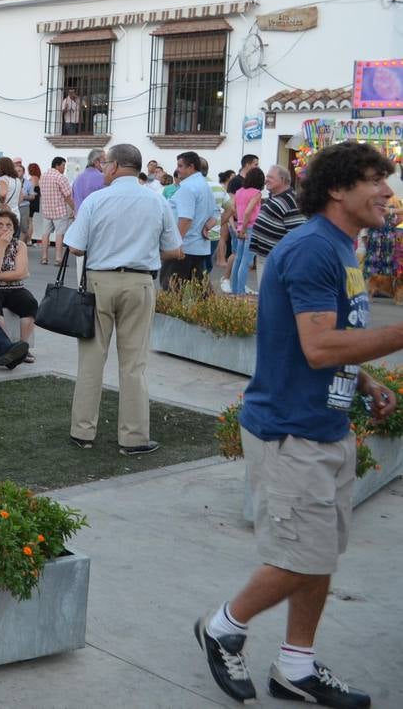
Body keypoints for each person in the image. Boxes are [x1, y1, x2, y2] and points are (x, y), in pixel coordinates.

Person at [194, 141, 397, 708]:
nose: (387, 191)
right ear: (338, 189)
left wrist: (362, 381)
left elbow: (334, 336)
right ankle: (223, 628)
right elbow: (317, 345)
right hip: (290, 432)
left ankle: (296, 667)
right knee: (297, 558)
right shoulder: (312, 249)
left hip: (326, 425)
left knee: (320, 554)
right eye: (376, 180)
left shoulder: (343, 247)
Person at [64, 143, 182, 454]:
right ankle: (133, 437)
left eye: (105, 165)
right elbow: (174, 248)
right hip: (140, 282)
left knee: (91, 359)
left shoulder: (96, 200)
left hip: (99, 281)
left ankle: (82, 431)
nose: (103, 169)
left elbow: (75, 246)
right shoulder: (156, 201)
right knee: (134, 364)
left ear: (114, 166)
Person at [0, 210, 38, 364]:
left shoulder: (20, 245)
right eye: (0, 225)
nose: (4, 228)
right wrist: (2, 247)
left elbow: (21, 272)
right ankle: (8, 347)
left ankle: (23, 346)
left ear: (14, 228)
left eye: (8, 225)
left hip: (13, 287)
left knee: (29, 302)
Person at [161, 150, 218, 292]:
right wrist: (206, 226)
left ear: (191, 167)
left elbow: (186, 218)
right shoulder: (204, 185)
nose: (177, 170)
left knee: (173, 289)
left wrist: (175, 244)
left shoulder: (188, 187)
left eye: (180, 166)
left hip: (184, 248)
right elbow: (215, 213)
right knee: (199, 291)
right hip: (197, 246)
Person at [250, 165, 306, 259]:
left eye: (270, 177)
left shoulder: (291, 201)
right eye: (266, 177)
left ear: (283, 179)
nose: (266, 180)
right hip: (266, 255)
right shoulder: (275, 196)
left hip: (277, 258)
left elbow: (297, 234)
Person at [230, 167, 266, 295]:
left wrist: (239, 227)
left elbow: (232, 207)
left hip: (240, 227)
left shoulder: (239, 191)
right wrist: (244, 228)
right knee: (246, 262)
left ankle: (234, 289)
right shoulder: (257, 193)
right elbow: (248, 211)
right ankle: (240, 291)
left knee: (238, 260)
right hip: (250, 228)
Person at [39, 156, 74, 266]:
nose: (64, 168)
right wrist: (75, 208)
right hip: (59, 210)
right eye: (63, 165)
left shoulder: (43, 176)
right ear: (57, 165)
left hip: (46, 210)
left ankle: (44, 257)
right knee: (60, 234)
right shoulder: (60, 177)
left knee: (45, 234)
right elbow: (68, 196)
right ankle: (59, 259)